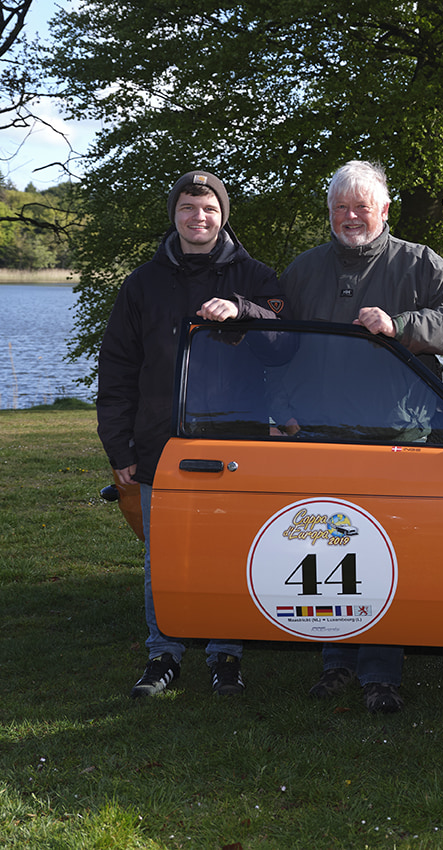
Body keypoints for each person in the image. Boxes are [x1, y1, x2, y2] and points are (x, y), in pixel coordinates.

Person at [280, 159, 443, 714]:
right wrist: (281, 408)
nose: (350, 217)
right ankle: (334, 661)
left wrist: (402, 326)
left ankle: (381, 673)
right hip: (319, 437)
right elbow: (273, 346)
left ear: (383, 211)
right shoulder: (303, 271)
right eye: (340, 208)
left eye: (361, 207)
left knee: (380, 555)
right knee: (323, 548)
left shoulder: (418, 263)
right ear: (329, 212)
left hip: (398, 438)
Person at [97, 170, 286, 698]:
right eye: (187, 208)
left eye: (207, 208)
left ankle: (227, 654)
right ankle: (164, 653)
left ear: (223, 214)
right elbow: (116, 371)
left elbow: (285, 345)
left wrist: (243, 312)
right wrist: (119, 446)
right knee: (167, 555)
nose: (197, 218)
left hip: (237, 444)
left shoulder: (257, 276)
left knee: (230, 550)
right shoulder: (141, 284)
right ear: (174, 214)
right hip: (162, 445)